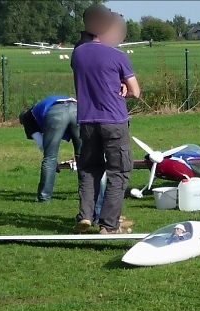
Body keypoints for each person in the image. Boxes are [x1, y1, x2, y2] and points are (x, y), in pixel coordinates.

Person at [71, 11, 140, 234]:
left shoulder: (77, 54)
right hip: (114, 120)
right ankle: (109, 225)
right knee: (118, 172)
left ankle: (85, 216)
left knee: (90, 169)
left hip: (86, 120)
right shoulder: (118, 56)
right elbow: (135, 92)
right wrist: (123, 88)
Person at [19, 95, 79, 203]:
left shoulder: (27, 118)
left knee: (49, 157)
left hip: (56, 113)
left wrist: (53, 161)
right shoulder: (39, 106)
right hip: (76, 108)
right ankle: (87, 196)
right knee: (83, 156)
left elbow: (41, 144)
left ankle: (44, 197)